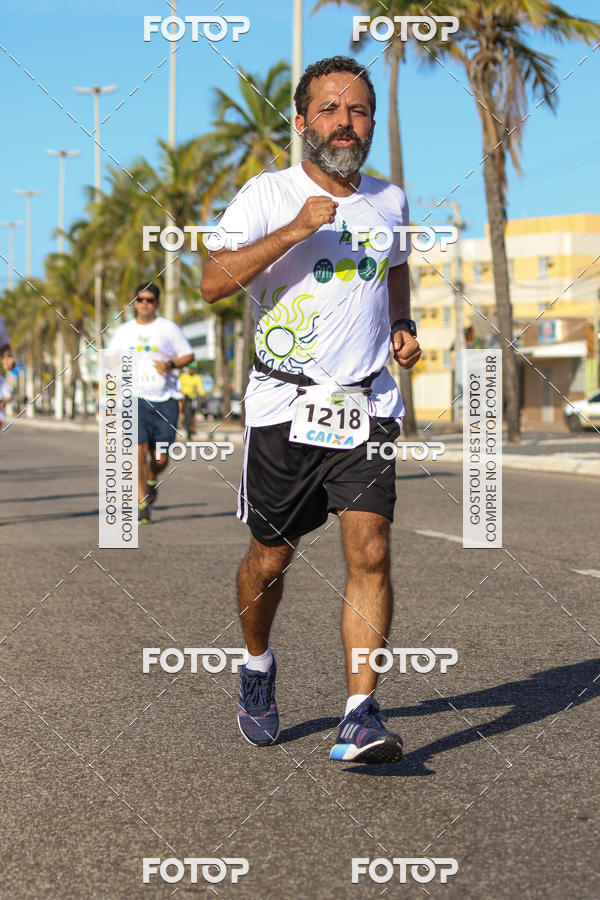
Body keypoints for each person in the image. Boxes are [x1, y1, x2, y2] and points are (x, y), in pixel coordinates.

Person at [201, 56, 422, 764]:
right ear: (301, 123)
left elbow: (394, 267)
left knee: (372, 549)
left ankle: (359, 712)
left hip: (366, 401)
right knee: (270, 561)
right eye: (329, 109)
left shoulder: (390, 200)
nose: (345, 122)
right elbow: (212, 282)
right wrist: (296, 230)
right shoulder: (268, 195)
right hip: (282, 406)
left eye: (358, 110)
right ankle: (258, 664)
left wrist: (402, 323)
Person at [107, 282, 194, 524]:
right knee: (137, 450)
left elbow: (188, 355)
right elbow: (111, 360)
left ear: (157, 302)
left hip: (165, 398)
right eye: (140, 300)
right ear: (134, 303)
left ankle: (152, 478)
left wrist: (170, 365)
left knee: (160, 458)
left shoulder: (169, 329)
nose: (145, 304)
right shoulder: (123, 331)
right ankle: (141, 504)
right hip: (134, 398)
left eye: (150, 300)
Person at [178, 362, 205, 441]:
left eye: (193, 369)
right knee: (182, 409)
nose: (191, 370)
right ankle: (181, 419)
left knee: (192, 412)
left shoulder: (196, 377)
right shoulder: (183, 376)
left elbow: (200, 387)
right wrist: (180, 391)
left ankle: (191, 427)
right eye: (190, 369)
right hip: (183, 396)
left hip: (192, 397)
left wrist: (202, 393)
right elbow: (179, 385)